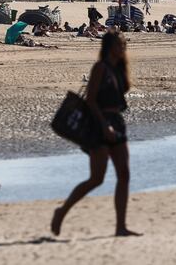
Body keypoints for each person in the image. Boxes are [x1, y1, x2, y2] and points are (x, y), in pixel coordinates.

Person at [51, 32, 140, 237]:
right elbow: (90, 100)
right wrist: (104, 126)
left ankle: (121, 226)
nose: (124, 47)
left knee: (124, 175)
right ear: (110, 46)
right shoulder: (100, 67)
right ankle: (62, 211)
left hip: (117, 122)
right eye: (120, 44)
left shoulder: (119, 69)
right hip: (99, 125)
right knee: (97, 178)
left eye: (124, 44)